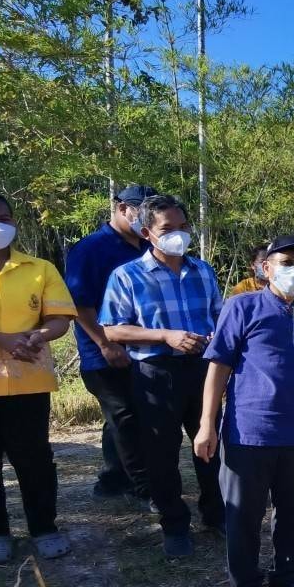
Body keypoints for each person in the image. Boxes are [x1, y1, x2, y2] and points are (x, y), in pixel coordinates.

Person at [195, 234, 294, 587]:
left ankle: (287, 578)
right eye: (286, 262)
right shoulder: (243, 306)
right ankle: (247, 586)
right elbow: (218, 365)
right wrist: (207, 424)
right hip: (248, 431)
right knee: (243, 514)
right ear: (265, 267)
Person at [99, 194, 224, 558]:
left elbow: (219, 317)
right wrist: (165, 335)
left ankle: (216, 515)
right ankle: (174, 524)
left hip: (202, 369)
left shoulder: (202, 270)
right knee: (161, 452)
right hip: (156, 373)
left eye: (183, 227)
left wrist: (217, 337)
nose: (179, 235)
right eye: (168, 229)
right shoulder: (128, 276)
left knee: (210, 444)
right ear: (147, 233)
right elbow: (112, 330)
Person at [0, 191, 78, 564]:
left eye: (5, 218)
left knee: (35, 460)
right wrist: (1, 340)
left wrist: (38, 335)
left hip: (30, 381)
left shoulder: (40, 268)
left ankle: (44, 527)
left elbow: (59, 317)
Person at [64, 184, 155, 505]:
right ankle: (143, 489)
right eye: (140, 211)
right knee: (126, 417)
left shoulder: (147, 246)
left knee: (123, 418)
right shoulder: (91, 249)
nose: (145, 218)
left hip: (143, 350)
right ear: (120, 208)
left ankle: (113, 479)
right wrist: (105, 345)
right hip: (103, 354)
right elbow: (78, 303)